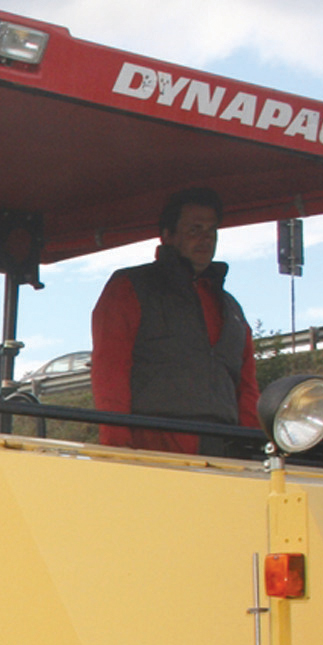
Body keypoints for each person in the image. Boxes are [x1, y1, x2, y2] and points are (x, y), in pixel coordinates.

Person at [89, 186, 262, 456]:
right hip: (154, 449)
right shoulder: (129, 288)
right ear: (167, 235)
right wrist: (116, 449)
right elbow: (111, 370)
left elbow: (248, 386)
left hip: (224, 452)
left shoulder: (232, 309)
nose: (205, 239)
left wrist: (252, 447)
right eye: (194, 229)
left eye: (211, 230)